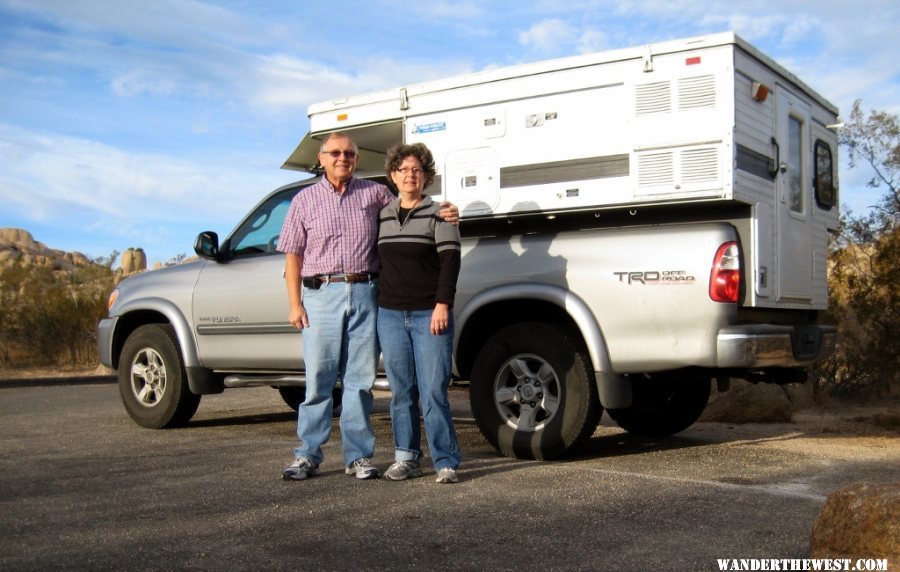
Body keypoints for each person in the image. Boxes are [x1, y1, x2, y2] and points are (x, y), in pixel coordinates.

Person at [278, 133, 457, 481]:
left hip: (365, 292)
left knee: (360, 381)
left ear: (357, 159)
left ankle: (358, 456)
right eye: (335, 153)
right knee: (319, 379)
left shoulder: (375, 195)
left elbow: (413, 204)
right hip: (321, 293)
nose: (342, 158)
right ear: (322, 158)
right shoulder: (304, 200)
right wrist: (295, 303)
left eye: (349, 153)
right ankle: (307, 454)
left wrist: (448, 210)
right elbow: (293, 254)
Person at [377, 142, 462, 484]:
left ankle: (445, 460)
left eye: (417, 170)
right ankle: (407, 458)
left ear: (426, 177)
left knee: (433, 390)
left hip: (430, 314)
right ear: (393, 175)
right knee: (401, 391)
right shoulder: (381, 214)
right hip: (390, 315)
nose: (410, 175)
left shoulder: (440, 213)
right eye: (403, 169)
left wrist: (443, 305)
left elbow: (450, 263)